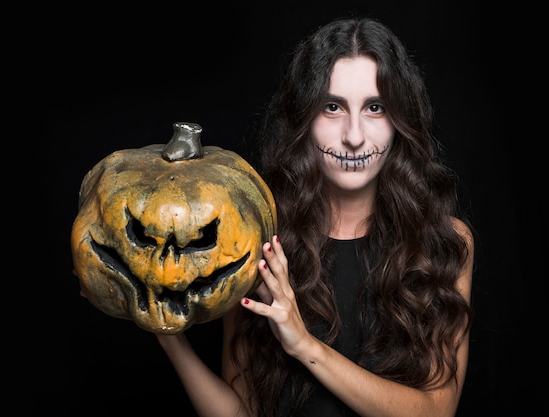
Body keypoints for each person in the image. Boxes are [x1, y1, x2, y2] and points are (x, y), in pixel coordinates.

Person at [155, 17, 474, 417]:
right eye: (333, 107)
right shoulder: (259, 240)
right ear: (304, 118)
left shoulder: (445, 243)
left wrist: (303, 343)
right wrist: (167, 334)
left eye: (375, 108)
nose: (354, 136)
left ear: (399, 121)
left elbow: (436, 410)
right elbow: (242, 413)